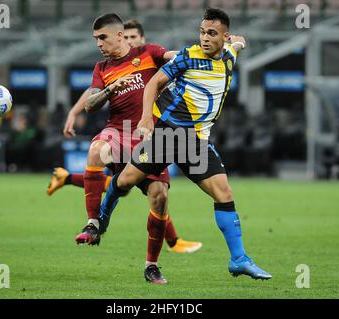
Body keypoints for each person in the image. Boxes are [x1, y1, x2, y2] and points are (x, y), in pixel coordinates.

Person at [98, 8, 272, 283]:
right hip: (168, 135)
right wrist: (146, 118)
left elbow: (237, 44)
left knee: (224, 193)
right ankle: (102, 218)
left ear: (223, 37)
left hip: (196, 143)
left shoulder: (228, 55)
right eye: (202, 32)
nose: (204, 38)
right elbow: (154, 82)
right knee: (125, 182)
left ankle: (238, 259)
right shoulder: (188, 57)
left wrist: (239, 42)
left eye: (211, 33)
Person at [47, 19, 202, 255]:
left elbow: (177, 55)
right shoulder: (102, 68)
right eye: (95, 39)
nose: (98, 43)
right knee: (97, 150)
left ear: (119, 35)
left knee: (158, 195)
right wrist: (110, 89)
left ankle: (153, 263)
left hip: (150, 136)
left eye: (102, 38)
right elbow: (90, 104)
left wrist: (209, 50)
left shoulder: (150, 53)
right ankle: (93, 223)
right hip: (118, 132)